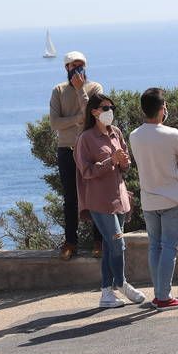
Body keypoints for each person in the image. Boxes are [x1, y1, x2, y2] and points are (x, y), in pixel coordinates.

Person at [74, 93, 146, 308]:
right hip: (100, 201)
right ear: (94, 111)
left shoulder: (116, 133)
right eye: (105, 108)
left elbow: (125, 164)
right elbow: (85, 171)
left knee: (109, 245)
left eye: (111, 107)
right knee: (118, 244)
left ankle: (106, 293)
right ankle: (122, 283)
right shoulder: (85, 139)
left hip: (119, 199)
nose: (110, 112)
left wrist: (123, 161)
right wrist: (110, 161)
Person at [128, 87, 178, 310]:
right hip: (171, 199)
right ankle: (164, 297)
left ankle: (158, 294)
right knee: (169, 247)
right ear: (161, 109)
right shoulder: (173, 134)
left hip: (148, 199)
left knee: (154, 247)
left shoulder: (134, 136)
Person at [49, 51, 103, 260]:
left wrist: (81, 92)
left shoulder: (95, 88)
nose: (77, 69)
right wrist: (80, 118)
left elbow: (95, 115)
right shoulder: (58, 91)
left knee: (95, 195)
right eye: (73, 65)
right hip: (67, 149)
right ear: (67, 68)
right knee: (70, 198)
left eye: (81, 65)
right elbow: (55, 123)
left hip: (91, 149)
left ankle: (99, 240)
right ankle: (71, 242)